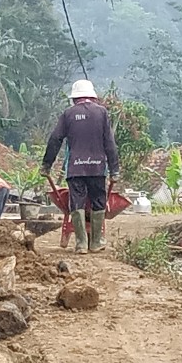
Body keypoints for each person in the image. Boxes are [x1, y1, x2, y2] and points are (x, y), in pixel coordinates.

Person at [41, 79, 120, 254]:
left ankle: (81, 244)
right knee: (99, 201)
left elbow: (55, 139)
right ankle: (96, 242)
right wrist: (114, 169)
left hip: (75, 168)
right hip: (97, 168)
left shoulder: (68, 114)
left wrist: (46, 164)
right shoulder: (102, 113)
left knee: (76, 203)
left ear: (75, 98)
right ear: (92, 96)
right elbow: (110, 143)